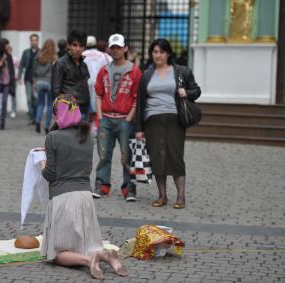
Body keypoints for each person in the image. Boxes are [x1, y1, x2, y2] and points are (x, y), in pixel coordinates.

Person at [40, 95, 129, 280]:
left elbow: (49, 174)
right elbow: (87, 168)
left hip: (62, 197)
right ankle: (105, 255)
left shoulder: (53, 137)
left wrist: (42, 162)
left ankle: (89, 261)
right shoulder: (87, 135)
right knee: (85, 243)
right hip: (84, 196)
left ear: (59, 114)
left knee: (57, 253)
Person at [135, 38, 201, 209]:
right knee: (158, 158)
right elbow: (140, 102)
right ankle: (162, 196)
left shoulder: (181, 71)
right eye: (155, 52)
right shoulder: (147, 75)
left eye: (161, 52)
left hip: (174, 119)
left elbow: (197, 91)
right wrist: (139, 128)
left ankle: (181, 197)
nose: (158, 55)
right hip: (152, 120)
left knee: (175, 157)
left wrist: (185, 92)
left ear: (168, 54)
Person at [93, 34, 142, 201]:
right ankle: (102, 185)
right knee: (104, 155)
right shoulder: (104, 70)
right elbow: (98, 94)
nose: (115, 50)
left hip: (125, 120)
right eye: (112, 47)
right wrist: (100, 116)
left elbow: (137, 97)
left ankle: (129, 188)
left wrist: (129, 117)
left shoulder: (134, 71)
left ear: (125, 48)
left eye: (118, 47)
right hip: (105, 118)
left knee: (127, 155)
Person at [51, 29, 90, 119]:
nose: (78, 49)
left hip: (84, 109)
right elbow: (55, 91)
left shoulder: (84, 65)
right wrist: (68, 102)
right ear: (69, 45)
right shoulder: (60, 64)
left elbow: (85, 87)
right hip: (68, 110)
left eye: (81, 46)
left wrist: (90, 108)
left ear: (84, 47)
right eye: (75, 45)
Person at [82, 35, 112, 130]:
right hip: (100, 84)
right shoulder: (104, 55)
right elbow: (111, 66)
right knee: (98, 106)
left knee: (86, 107)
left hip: (85, 84)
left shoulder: (82, 54)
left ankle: (86, 128)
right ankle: (96, 127)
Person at [33, 39, 56, 134]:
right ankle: (46, 126)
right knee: (50, 105)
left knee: (41, 103)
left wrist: (34, 82)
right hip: (50, 83)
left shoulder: (38, 55)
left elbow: (34, 70)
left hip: (39, 82)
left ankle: (37, 122)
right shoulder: (54, 57)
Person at [19, 33, 39, 125]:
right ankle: (32, 117)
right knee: (29, 98)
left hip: (37, 79)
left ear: (37, 41)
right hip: (27, 78)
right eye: (32, 40)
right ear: (30, 41)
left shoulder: (41, 52)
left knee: (35, 99)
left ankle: (35, 118)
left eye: (35, 40)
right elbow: (21, 65)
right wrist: (19, 77)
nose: (34, 42)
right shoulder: (26, 52)